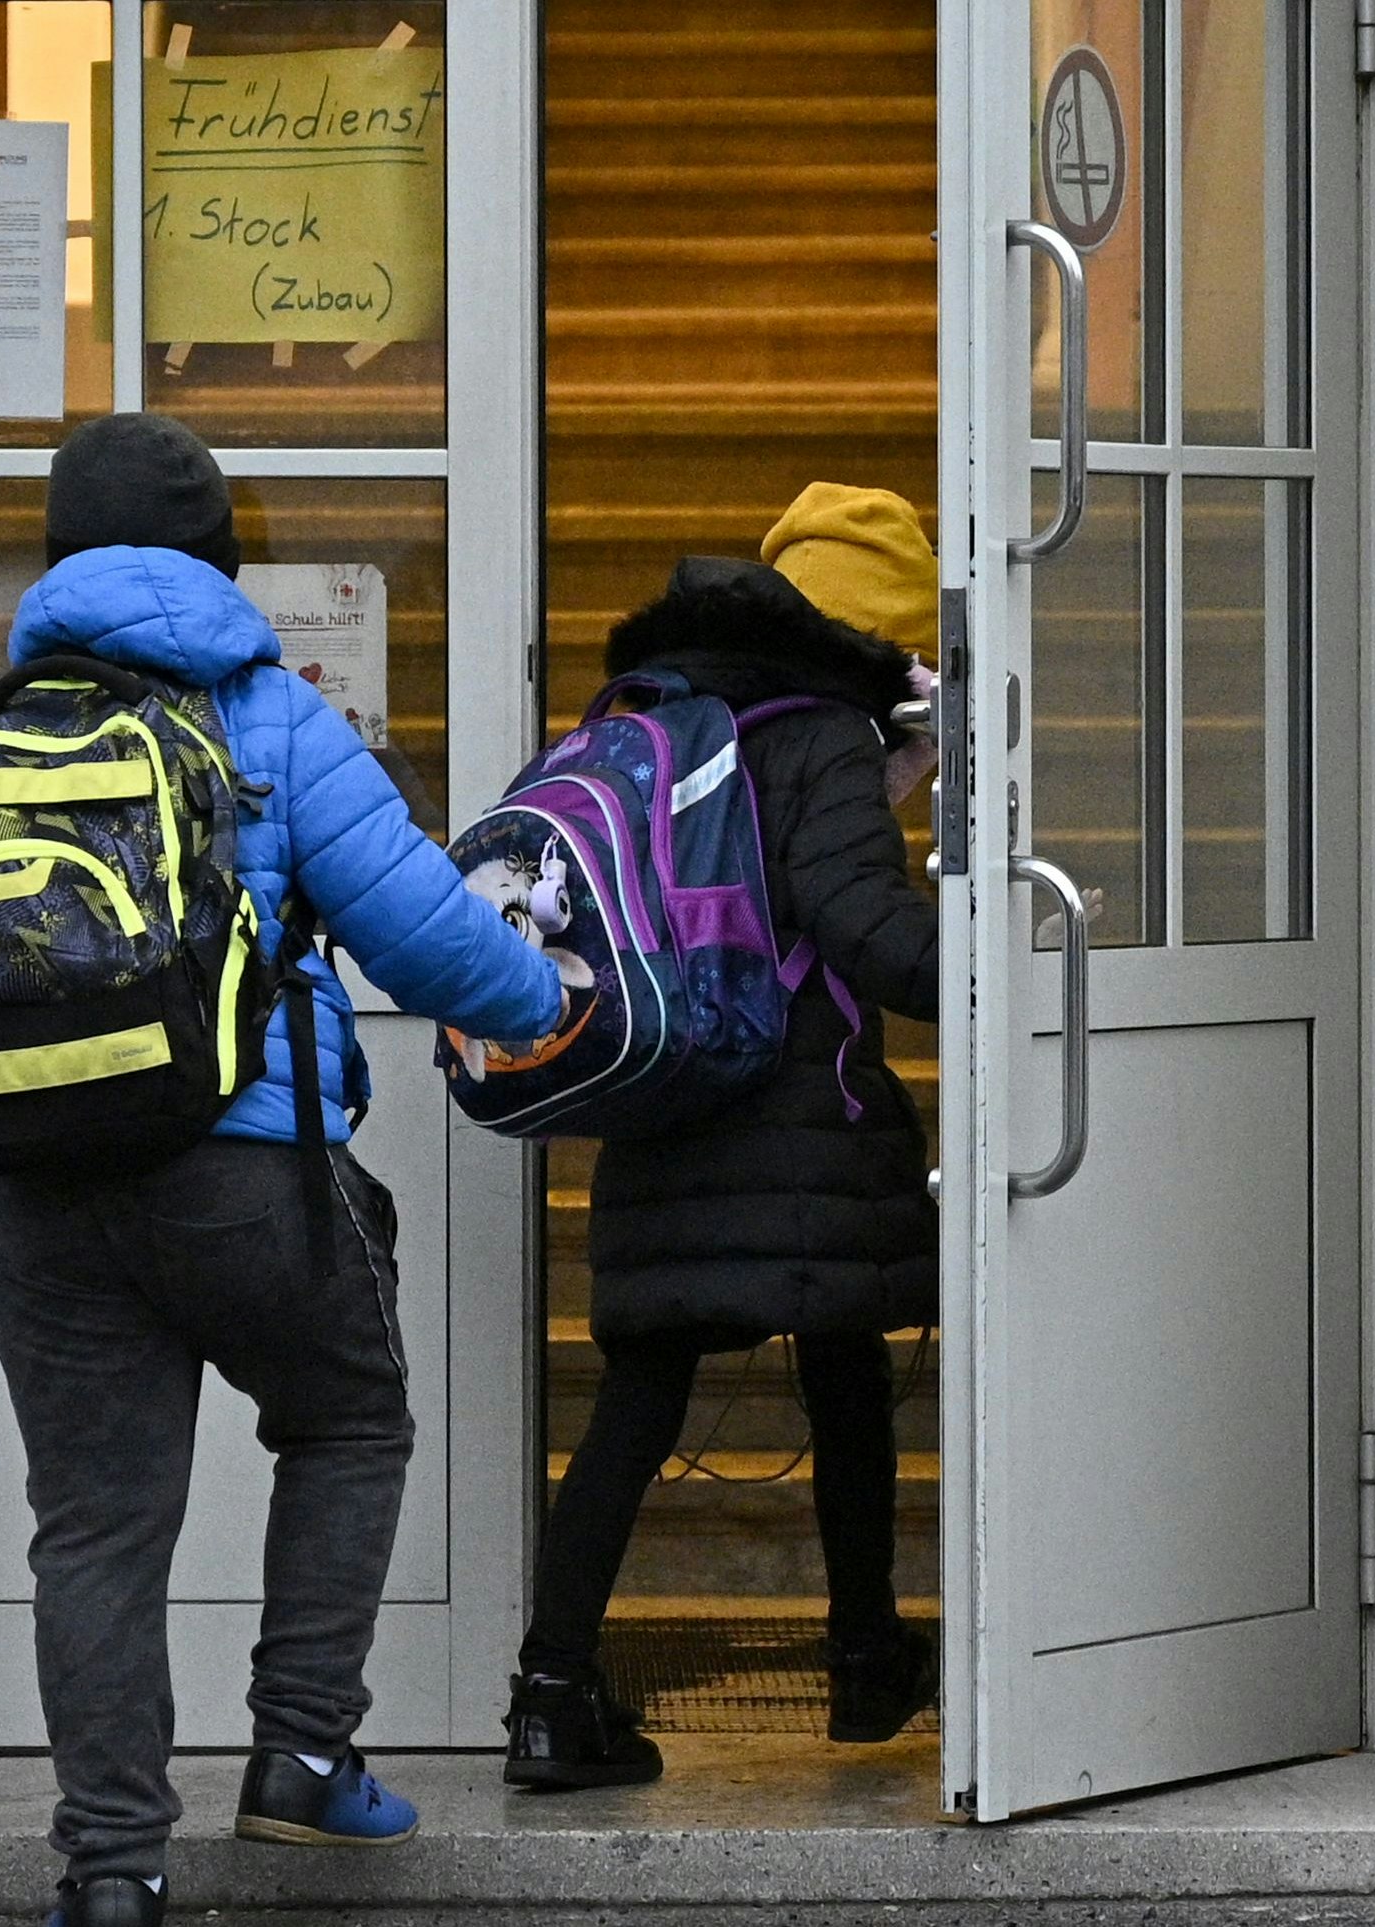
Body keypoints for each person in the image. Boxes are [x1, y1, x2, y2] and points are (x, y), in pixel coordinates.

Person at [0, 414, 570, 1927]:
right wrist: (545, 1010)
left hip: (38, 1196)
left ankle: (112, 1870)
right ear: (221, 554)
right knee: (348, 1421)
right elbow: (422, 930)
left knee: (96, 1530)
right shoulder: (271, 717)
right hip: (245, 1177)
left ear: (54, 561)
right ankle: (301, 1756)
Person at [503, 483, 949, 1791]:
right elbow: (863, 929)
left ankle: (547, 1693)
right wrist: (1012, 964)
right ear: (877, 636)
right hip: (799, 1117)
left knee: (640, 1400)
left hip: (660, 1098)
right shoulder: (816, 738)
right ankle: (865, 1665)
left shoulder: (645, 721)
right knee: (845, 1370)